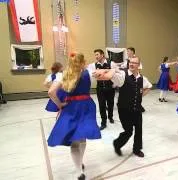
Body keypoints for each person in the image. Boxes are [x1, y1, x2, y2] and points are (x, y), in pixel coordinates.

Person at [47, 52, 101, 180]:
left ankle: (79, 171)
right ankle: (80, 163)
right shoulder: (89, 73)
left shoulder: (63, 75)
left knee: (75, 141)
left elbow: (51, 92)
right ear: (82, 62)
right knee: (82, 138)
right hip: (87, 107)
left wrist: (60, 105)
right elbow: (106, 75)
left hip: (71, 108)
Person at [94, 56, 152, 158]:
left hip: (137, 109)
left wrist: (141, 94)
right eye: (131, 62)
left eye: (134, 63)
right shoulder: (122, 75)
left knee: (139, 129)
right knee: (128, 131)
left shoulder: (142, 78)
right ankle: (117, 144)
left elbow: (149, 86)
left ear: (139, 65)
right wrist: (106, 72)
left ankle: (137, 149)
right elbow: (110, 76)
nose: (132, 64)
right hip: (124, 109)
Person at [87, 49, 116, 130]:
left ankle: (110, 117)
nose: (96, 56)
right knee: (102, 105)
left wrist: (115, 84)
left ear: (102, 55)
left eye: (97, 54)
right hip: (100, 88)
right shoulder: (93, 65)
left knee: (110, 104)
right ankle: (103, 122)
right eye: (95, 55)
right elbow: (91, 73)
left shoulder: (111, 63)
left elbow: (116, 74)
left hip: (110, 87)